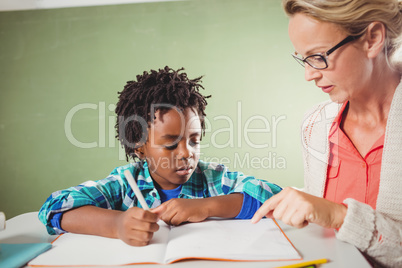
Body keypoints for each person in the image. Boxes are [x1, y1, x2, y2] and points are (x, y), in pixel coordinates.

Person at [39, 66, 281, 247]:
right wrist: (117, 225)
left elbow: (275, 198)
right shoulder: (125, 184)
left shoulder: (212, 179)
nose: (187, 153)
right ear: (139, 146)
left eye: (194, 141)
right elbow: (54, 208)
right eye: (171, 144)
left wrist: (207, 206)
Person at [252, 0, 402, 267]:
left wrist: (340, 216)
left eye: (319, 56)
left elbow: (332, 214)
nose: (309, 74)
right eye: (303, 59)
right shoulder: (315, 126)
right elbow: (318, 212)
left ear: (373, 38)